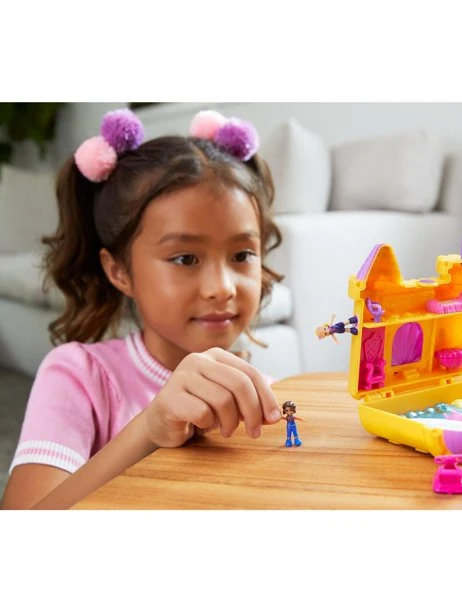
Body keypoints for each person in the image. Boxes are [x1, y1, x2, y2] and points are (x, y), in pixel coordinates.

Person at [1, 108, 285, 510]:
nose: (222, 288)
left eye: (242, 254)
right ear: (119, 271)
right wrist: (149, 430)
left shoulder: (267, 394)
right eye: (185, 259)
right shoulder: (80, 376)